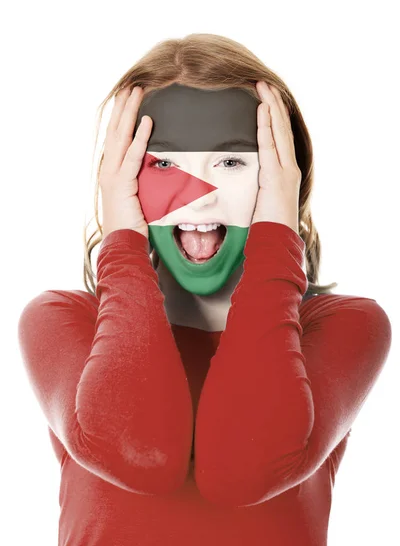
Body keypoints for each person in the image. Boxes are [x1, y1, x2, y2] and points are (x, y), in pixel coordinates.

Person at [17, 33, 392, 546]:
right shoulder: (60, 320)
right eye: (164, 164)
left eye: (232, 163)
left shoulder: (345, 326)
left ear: (281, 181)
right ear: (119, 180)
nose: (197, 199)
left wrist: (275, 238)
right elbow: (141, 456)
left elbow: (243, 471)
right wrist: (122, 244)